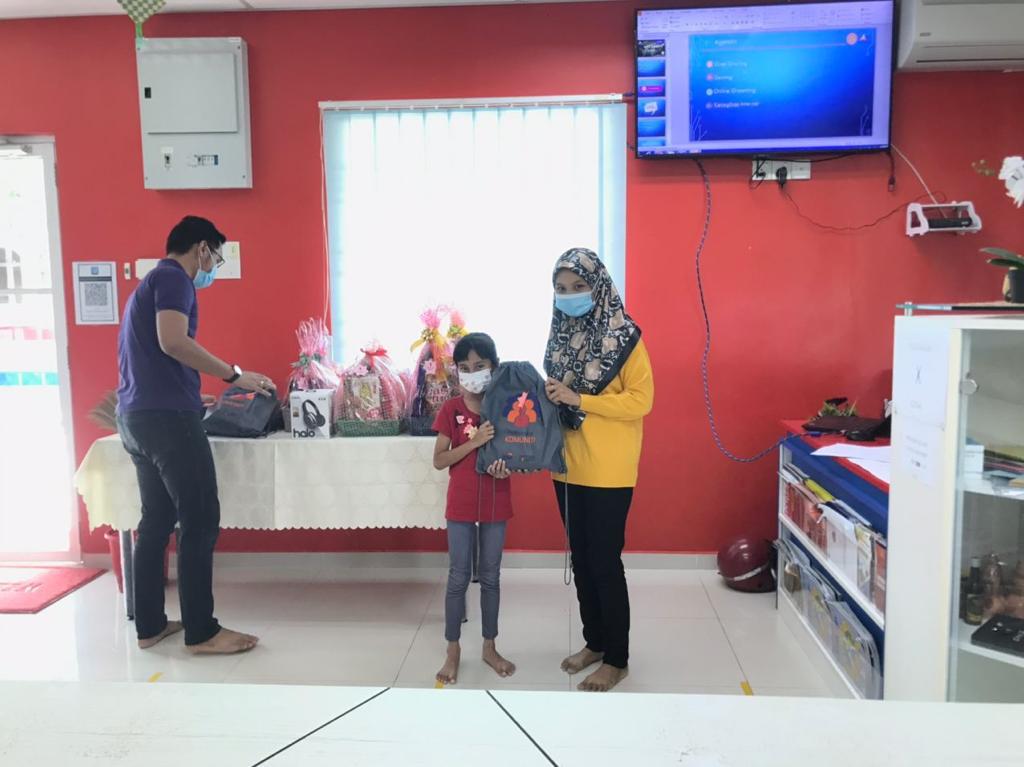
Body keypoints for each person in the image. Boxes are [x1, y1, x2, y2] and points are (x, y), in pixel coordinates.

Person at [116, 215, 275, 655]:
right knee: (200, 519)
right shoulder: (174, 278)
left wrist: (190, 393)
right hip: (167, 421)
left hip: (137, 417)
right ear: (202, 248)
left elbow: (153, 356)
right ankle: (202, 632)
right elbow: (173, 341)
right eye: (216, 258)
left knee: (156, 522)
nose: (214, 268)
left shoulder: (148, 284)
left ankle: (149, 625)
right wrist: (234, 375)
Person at [544, 247, 654, 692]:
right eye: (561, 288)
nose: (569, 295)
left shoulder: (624, 337)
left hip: (609, 469)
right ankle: (595, 642)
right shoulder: (561, 336)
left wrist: (580, 399)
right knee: (582, 559)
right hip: (567, 467)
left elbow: (641, 401)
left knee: (605, 561)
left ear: (599, 287)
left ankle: (617, 659)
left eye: (579, 286)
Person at [432, 332, 516, 685]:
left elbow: (517, 452)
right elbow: (439, 460)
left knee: (491, 577)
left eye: (479, 366)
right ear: (456, 371)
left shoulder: (506, 408)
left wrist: (508, 466)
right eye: (464, 368)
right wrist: (474, 442)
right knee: (458, 577)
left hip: (496, 500)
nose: (471, 374)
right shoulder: (451, 409)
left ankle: (489, 647)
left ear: (493, 367)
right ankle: (452, 650)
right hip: (461, 504)